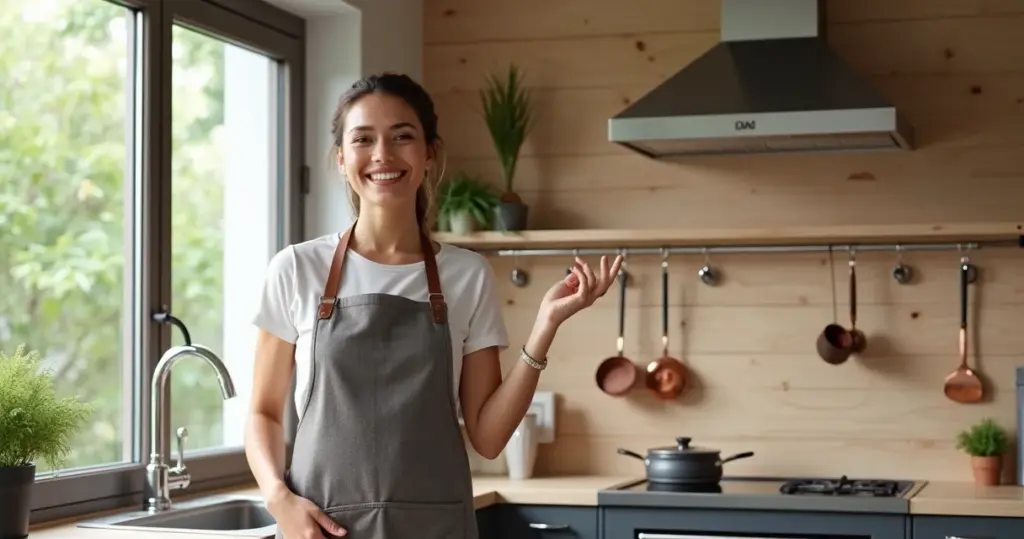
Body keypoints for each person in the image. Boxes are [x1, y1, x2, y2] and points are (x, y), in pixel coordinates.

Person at [243, 72, 623, 539]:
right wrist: (279, 499)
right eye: (363, 139)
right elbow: (263, 411)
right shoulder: (297, 269)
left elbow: (487, 437)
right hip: (322, 529)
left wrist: (545, 326)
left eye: (402, 136)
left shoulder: (466, 275)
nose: (383, 154)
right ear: (342, 159)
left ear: (429, 154)